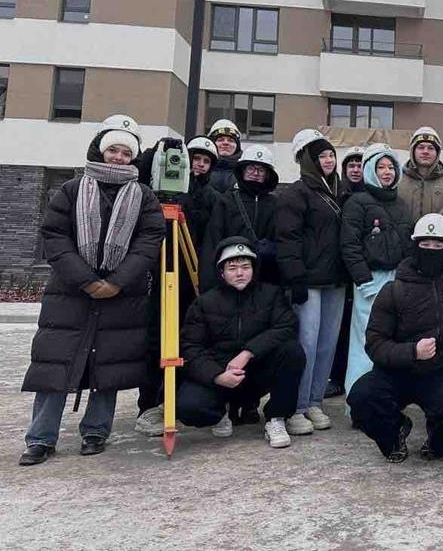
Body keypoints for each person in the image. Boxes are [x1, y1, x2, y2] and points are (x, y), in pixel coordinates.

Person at [19, 116, 165, 465]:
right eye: (113, 150)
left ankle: (96, 431)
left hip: (122, 294)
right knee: (56, 366)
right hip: (70, 293)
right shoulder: (72, 189)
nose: (118, 157)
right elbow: (54, 236)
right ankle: (41, 438)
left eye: (126, 153)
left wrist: (117, 281)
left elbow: (149, 241)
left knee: (107, 366)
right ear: (101, 151)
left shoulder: (144, 196)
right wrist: (85, 279)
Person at [348, 215, 443, 462]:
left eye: (438, 245)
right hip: (396, 372)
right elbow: (375, 343)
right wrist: (412, 351)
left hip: (440, 373)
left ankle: (436, 438)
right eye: (425, 244)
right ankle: (394, 431)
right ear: (415, 246)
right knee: (362, 398)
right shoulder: (393, 290)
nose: (431, 250)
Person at [177, 237, 305, 449]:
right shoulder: (204, 303)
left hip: (256, 372)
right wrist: (217, 376)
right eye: (232, 268)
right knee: (189, 407)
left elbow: (287, 327)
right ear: (221, 272)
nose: (240, 273)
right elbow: (190, 348)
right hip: (220, 374)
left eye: (246, 267)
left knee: (292, 351)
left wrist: (248, 352)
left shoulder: (271, 294)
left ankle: (276, 418)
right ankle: (220, 413)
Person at [135, 135, 221, 436]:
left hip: (191, 278)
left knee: (189, 340)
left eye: (206, 161)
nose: (200, 165)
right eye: (195, 159)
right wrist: (157, 153)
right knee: (155, 340)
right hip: (160, 275)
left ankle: (179, 400)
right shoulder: (154, 192)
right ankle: (149, 404)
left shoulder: (211, 198)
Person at [276, 129, 347, 437]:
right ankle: (297, 406)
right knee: (306, 342)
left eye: (331, 155)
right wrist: (295, 277)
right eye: (321, 156)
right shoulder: (297, 193)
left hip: (335, 281)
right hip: (308, 281)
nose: (328, 161)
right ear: (308, 160)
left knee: (327, 345)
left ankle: (315, 401)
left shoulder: (339, 192)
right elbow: (287, 238)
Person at [341, 144, 414, 396]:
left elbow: (409, 246)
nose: (387, 172)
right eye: (380, 167)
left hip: (396, 281)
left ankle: (386, 399)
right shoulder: (357, 202)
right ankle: (357, 399)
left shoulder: (401, 204)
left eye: (391, 167)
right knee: (365, 339)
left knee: (392, 339)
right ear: (370, 170)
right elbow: (349, 245)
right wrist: (364, 281)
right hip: (370, 281)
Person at [201, 145, 280, 292]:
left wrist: (272, 249)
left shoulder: (276, 203)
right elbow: (212, 241)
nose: (255, 173)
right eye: (251, 168)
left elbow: (284, 240)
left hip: (267, 280)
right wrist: (209, 284)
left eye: (261, 170)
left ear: (268, 174)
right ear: (242, 170)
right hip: (231, 277)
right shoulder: (226, 201)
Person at [329, 145, 367, 398]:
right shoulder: (335, 194)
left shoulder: (371, 195)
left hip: (364, 272)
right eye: (351, 165)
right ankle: (337, 377)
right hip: (340, 271)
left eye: (359, 165)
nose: (355, 169)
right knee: (340, 329)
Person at [397, 126, 443, 218]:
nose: (425, 152)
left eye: (431, 148)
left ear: (437, 152)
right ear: (413, 151)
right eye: (421, 147)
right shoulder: (397, 182)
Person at [207, 119, 243, 193]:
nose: (226, 143)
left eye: (231, 140)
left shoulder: (245, 171)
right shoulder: (200, 167)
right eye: (220, 140)